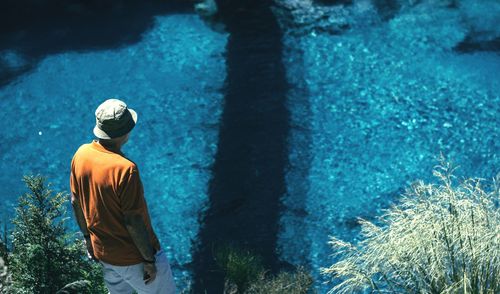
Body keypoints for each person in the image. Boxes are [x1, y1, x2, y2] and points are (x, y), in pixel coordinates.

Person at [70, 98, 176, 293]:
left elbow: (75, 202)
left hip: (104, 254)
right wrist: (148, 260)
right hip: (133, 258)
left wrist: (87, 239)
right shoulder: (126, 169)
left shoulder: (81, 154)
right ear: (126, 132)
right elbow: (133, 221)